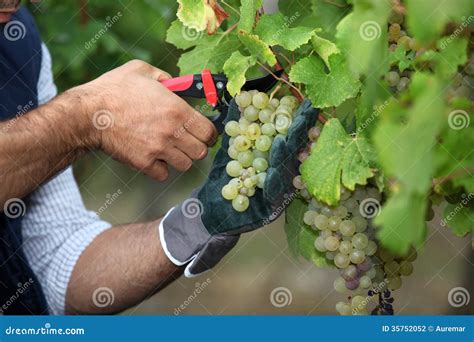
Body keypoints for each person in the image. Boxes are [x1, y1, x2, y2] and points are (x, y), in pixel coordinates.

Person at [0, 3, 317, 315]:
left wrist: (199, 222)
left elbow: (58, 262)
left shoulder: (19, 42)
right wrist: (87, 117)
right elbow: (83, 118)